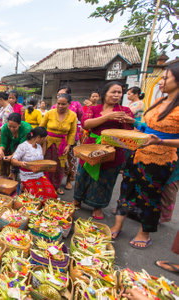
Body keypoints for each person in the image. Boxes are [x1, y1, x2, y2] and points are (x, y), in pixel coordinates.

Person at [111, 62, 179, 248]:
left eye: (165, 78)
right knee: (126, 189)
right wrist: (134, 122)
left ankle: (144, 232)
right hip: (138, 153)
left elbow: (163, 136)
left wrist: (161, 142)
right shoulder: (160, 102)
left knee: (149, 196)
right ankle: (118, 224)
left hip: (159, 159)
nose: (160, 82)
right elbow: (148, 128)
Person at [73, 82, 134, 220]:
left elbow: (129, 131)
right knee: (83, 175)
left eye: (119, 92)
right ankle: (77, 200)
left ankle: (97, 206)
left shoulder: (124, 110)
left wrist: (129, 121)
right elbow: (86, 124)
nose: (117, 95)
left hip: (112, 150)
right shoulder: (94, 109)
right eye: (113, 92)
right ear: (104, 94)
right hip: (91, 148)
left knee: (105, 179)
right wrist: (107, 117)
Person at [39, 93, 77, 195]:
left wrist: (68, 145)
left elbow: (72, 132)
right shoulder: (49, 113)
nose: (60, 106)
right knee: (46, 165)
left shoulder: (73, 115)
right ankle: (45, 185)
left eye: (63, 104)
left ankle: (56, 187)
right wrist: (39, 140)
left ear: (69, 104)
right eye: (58, 103)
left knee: (59, 167)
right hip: (48, 143)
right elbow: (41, 127)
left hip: (62, 145)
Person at [11, 126, 58, 199]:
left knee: (52, 195)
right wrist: (21, 163)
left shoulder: (39, 146)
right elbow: (13, 160)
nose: (44, 141)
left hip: (39, 175)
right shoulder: (23, 146)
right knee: (37, 197)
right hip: (27, 177)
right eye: (43, 139)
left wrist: (45, 143)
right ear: (38, 137)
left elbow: (41, 157)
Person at [52, 87, 83, 190]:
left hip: (71, 138)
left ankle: (69, 179)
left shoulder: (76, 105)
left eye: (62, 94)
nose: (59, 96)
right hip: (57, 139)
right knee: (59, 162)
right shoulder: (53, 107)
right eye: (58, 95)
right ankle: (58, 181)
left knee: (71, 161)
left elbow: (80, 118)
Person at [0, 112, 32, 179]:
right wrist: (1, 150)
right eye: (9, 126)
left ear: (19, 124)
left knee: (16, 160)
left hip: (23, 146)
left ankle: (15, 174)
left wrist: (12, 156)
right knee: (3, 156)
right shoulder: (4, 128)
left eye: (14, 127)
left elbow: (21, 148)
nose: (12, 129)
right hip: (10, 144)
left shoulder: (26, 129)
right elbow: (3, 143)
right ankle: (4, 174)